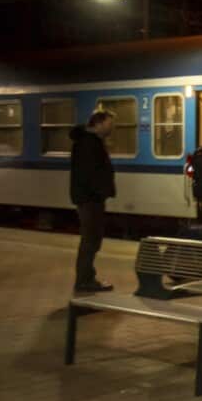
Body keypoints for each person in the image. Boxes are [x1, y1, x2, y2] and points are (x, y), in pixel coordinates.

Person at [69, 110, 116, 293]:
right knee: (90, 240)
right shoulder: (88, 144)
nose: (112, 127)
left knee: (91, 239)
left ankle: (87, 277)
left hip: (90, 198)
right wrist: (100, 191)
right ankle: (84, 280)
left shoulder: (89, 142)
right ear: (99, 123)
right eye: (110, 123)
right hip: (90, 200)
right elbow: (89, 174)